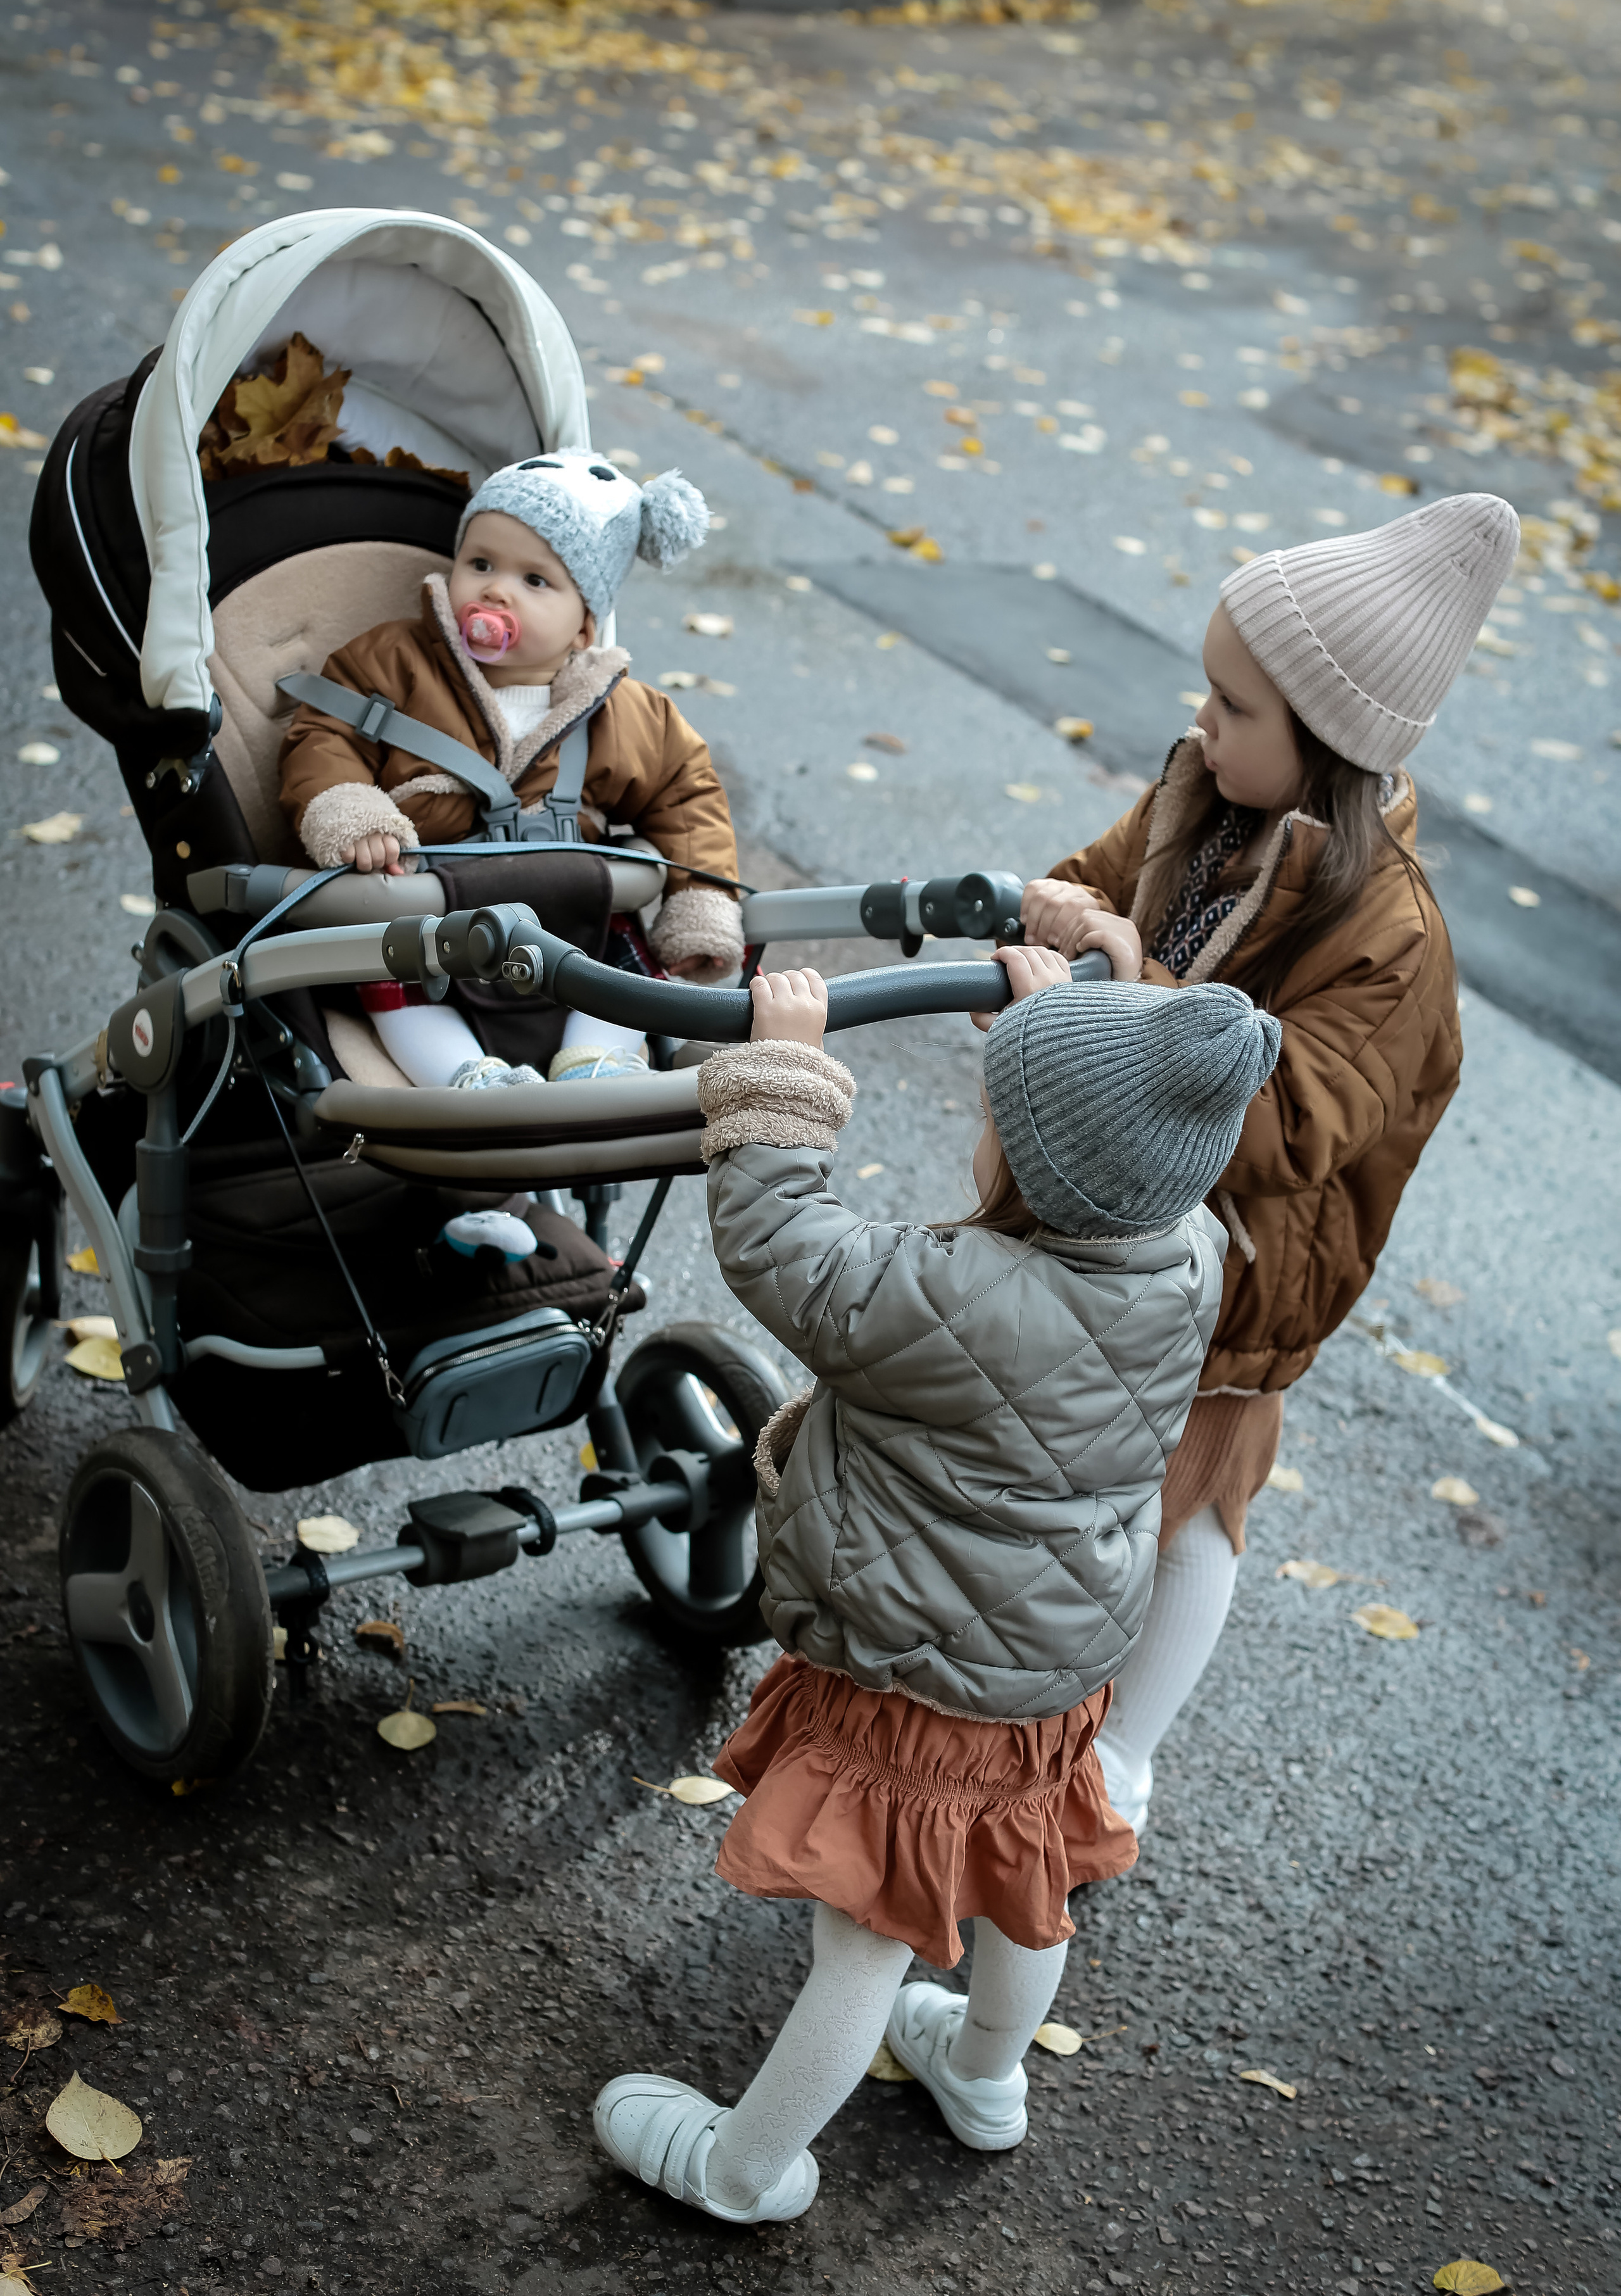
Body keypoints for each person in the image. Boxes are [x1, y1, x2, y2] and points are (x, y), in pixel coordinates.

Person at [591, 949, 1280, 2223]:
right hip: (1054, 1668)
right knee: (1027, 1891)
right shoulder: (1185, 1254)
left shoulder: (961, 1295)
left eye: (991, 1122)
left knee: (861, 1937)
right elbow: (1102, 1144)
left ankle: (745, 2171)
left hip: (921, 1679)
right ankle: (981, 2074)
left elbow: (783, 1247)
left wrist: (784, 1083)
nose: (979, 1136)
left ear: (1033, 1171)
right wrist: (1066, 1047)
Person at [1013, 491, 1519, 1832]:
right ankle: (1048, 1727)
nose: (1200, 725)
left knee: (1185, 1504)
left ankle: (1117, 1765)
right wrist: (1045, 913)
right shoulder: (1203, 807)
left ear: (1327, 745)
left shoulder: (1387, 934)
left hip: (1240, 1271)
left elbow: (1288, 1120)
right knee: (1086, 1476)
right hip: (1118, 1204)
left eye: (1233, 710)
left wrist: (1127, 987)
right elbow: (1095, 882)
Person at [278, 448, 745, 1087]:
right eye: (480, 564)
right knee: (389, 979)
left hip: (569, 918)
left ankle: (595, 1063)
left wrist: (700, 899)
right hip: (428, 920)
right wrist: (354, 812)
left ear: (585, 626)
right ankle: (466, 1075)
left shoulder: (627, 713)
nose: (495, 589)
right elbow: (323, 736)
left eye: (535, 581)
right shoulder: (390, 662)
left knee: (626, 966)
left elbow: (687, 796)